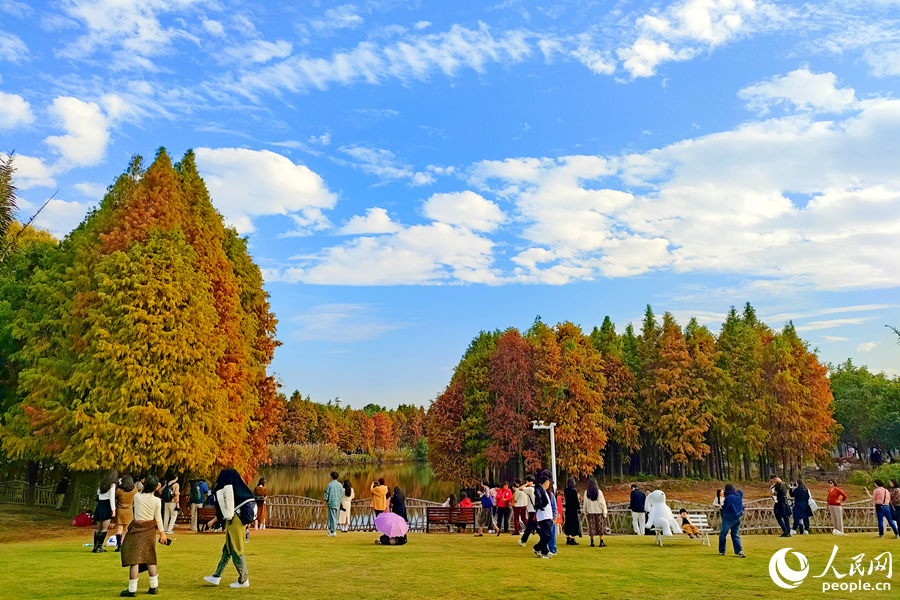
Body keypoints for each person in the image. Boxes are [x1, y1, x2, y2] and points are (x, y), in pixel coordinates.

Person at [203, 469, 256, 589]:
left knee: (236, 548)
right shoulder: (242, 490)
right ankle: (217, 576)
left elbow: (223, 509)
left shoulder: (228, 491)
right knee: (227, 548)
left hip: (235, 521)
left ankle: (243, 579)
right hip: (238, 520)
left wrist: (213, 521)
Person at [119, 475, 167, 598]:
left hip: (137, 530)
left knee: (134, 560)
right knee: (150, 557)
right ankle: (154, 586)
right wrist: (162, 533)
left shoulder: (137, 497)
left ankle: (132, 589)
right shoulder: (157, 501)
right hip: (150, 530)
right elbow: (158, 518)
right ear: (156, 487)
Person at [93, 469, 118, 553]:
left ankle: (95, 546)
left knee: (98, 528)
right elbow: (112, 498)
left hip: (100, 505)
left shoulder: (101, 484)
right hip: (107, 506)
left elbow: (98, 494)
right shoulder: (112, 485)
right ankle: (99, 546)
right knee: (104, 528)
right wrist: (113, 510)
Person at [719, 483, 745, 557]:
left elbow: (726, 508)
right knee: (735, 535)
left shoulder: (728, 498)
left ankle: (722, 550)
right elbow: (740, 492)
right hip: (738, 518)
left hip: (729, 518)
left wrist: (722, 508)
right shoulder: (739, 495)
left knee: (723, 534)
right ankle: (739, 551)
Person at [532, 475, 554, 559]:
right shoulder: (539, 490)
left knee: (545, 535)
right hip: (543, 516)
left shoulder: (544, 491)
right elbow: (539, 501)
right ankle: (537, 547)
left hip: (546, 515)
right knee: (547, 535)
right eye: (548, 482)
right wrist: (541, 506)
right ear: (545, 482)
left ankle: (544, 551)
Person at [114, 476, 138, 552]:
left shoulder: (119, 491)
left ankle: (119, 546)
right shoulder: (134, 490)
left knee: (119, 528)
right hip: (129, 510)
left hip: (120, 510)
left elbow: (115, 498)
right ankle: (126, 544)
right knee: (127, 529)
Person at [583, 478, 607, 547]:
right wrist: (604, 513)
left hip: (590, 512)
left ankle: (592, 542)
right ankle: (601, 542)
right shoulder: (599, 492)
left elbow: (585, 503)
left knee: (591, 527)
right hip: (599, 512)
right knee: (600, 527)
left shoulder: (586, 492)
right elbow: (602, 503)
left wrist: (585, 511)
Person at [518, 476, 537, 546]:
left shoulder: (530, 489)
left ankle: (523, 540)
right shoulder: (537, 488)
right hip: (537, 510)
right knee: (534, 525)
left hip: (532, 510)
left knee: (529, 526)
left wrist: (526, 484)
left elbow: (520, 488)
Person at [324, 471, 343, 537]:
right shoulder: (340, 485)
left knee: (332, 517)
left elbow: (326, 494)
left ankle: (333, 531)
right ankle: (332, 529)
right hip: (337, 503)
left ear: (331, 477)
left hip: (331, 502)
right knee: (336, 517)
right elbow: (341, 494)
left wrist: (325, 500)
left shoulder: (329, 485)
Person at [563, 477, 581, 545]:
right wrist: (578, 509)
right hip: (573, 509)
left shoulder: (565, 491)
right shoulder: (574, 491)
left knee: (568, 523)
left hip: (568, 509)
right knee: (574, 524)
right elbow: (576, 501)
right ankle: (572, 538)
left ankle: (568, 538)